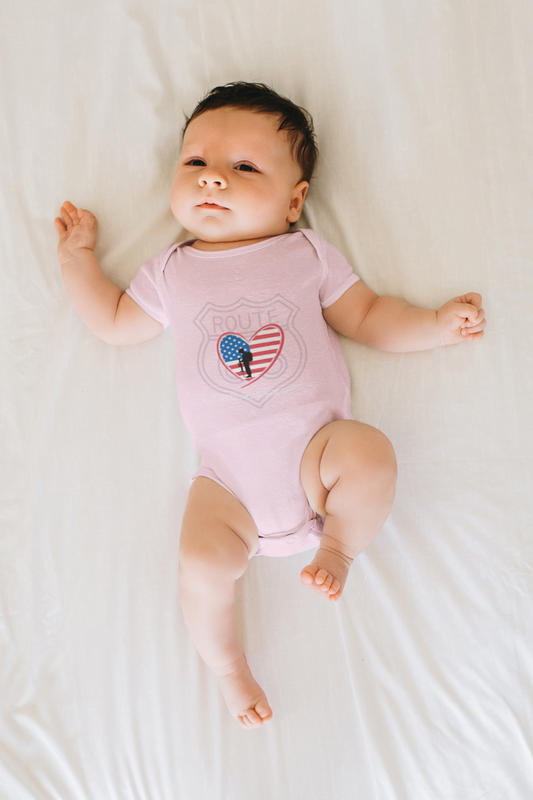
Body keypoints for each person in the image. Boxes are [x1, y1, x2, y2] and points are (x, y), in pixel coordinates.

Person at [54, 82, 486, 730]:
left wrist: (432, 325)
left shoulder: (304, 254)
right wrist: (76, 260)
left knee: (369, 453)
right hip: (226, 483)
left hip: (317, 456)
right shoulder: (172, 271)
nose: (214, 181)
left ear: (295, 200)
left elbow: (367, 316)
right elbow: (115, 320)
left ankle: (337, 547)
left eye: (243, 167)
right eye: (195, 163)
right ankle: (228, 667)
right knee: (199, 562)